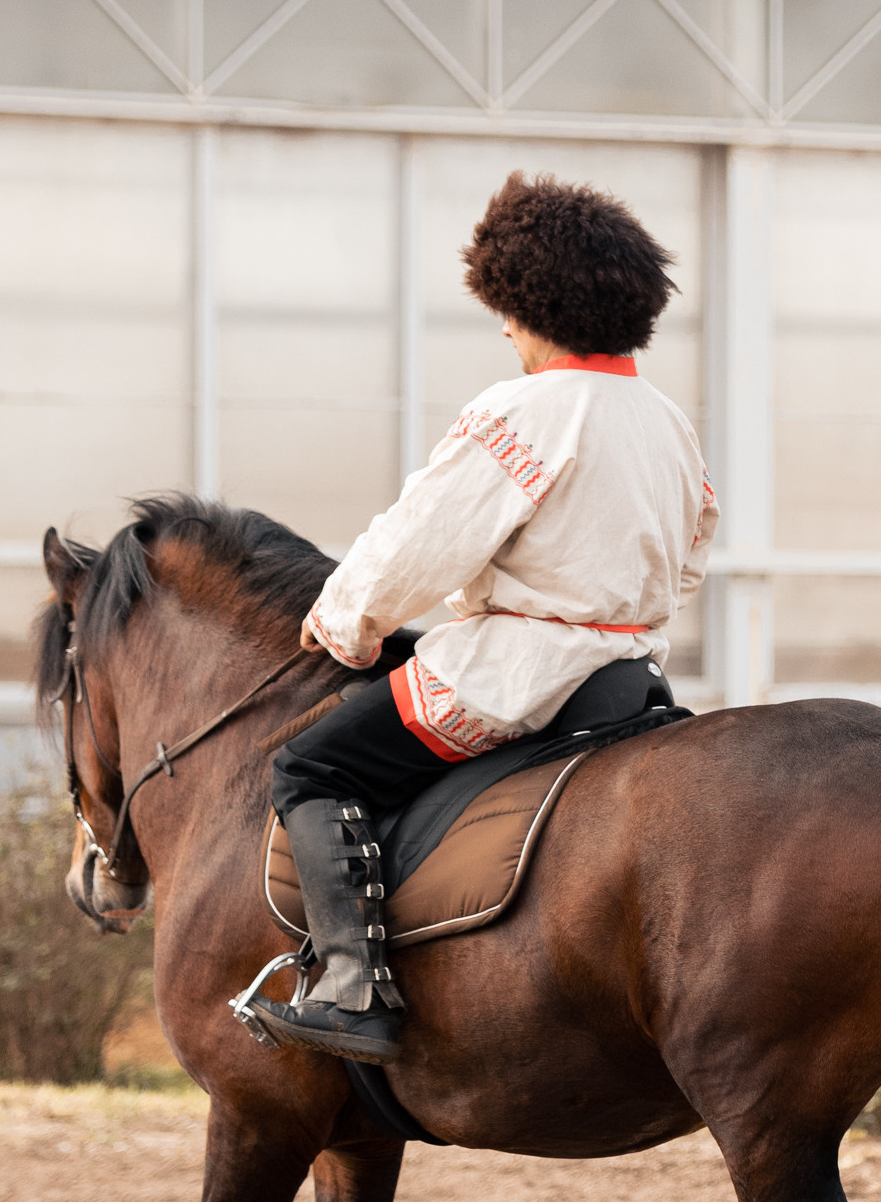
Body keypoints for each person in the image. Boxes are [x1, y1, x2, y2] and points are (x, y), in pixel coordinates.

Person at [248, 171, 717, 1063]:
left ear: (532, 303)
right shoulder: (666, 421)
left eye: (504, 310)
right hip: (627, 676)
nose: (502, 330)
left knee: (310, 766)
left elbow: (424, 542)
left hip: (517, 676)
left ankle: (353, 989)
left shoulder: (521, 412)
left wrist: (345, 618)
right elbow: (690, 553)